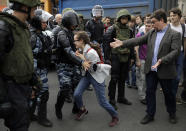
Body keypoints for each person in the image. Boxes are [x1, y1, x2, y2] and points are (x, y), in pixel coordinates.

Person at [110, 9, 181, 124]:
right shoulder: (152, 33)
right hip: (151, 69)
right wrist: (122, 43)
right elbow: (138, 40)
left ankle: (172, 113)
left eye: (154, 22)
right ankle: (150, 114)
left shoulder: (175, 34)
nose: (152, 25)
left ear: (162, 20)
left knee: (169, 94)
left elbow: (176, 51)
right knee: (150, 92)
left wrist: (162, 60)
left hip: (165, 69)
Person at [0, 0, 40, 130]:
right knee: (19, 125)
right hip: (11, 88)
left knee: (23, 122)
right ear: (24, 8)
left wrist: (33, 81)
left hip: (22, 86)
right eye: (34, 9)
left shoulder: (22, 28)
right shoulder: (4, 27)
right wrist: (3, 98)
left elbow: (24, 58)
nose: (35, 13)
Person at [73, 31, 119, 127]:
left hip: (96, 77)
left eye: (75, 41)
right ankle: (82, 109)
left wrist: (82, 59)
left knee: (102, 102)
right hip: (87, 76)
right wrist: (81, 59)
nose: (74, 43)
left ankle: (115, 116)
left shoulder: (91, 53)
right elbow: (84, 66)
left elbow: (93, 69)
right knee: (77, 94)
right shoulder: (81, 50)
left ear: (81, 41)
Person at [55, 11, 90, 120]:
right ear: (66, 22)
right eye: (72, 23)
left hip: (75, 64)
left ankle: (76, 108)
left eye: (75, 23)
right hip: (63, 65)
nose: (74, 25)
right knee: (65, 88)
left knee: (77, 88)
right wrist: (81, 62)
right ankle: (58, 107)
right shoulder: (61, 34)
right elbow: (68, 51)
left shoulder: (74, 33)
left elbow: (80, 47)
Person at [104, 9, 134, 110]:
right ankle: (111, 100)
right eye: (123, 17)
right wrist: (107, 58)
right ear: (119, 18)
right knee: (114, 78)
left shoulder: (130, 30)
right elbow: (106, 43)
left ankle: (121, 97)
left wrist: (132, 58)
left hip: (126, 56)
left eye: (126, 18)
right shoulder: (112, 29)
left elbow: (131, 44)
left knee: (123, 78)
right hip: (115, 56)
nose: (125, 19)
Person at [29, 9, 53, 127]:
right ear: (37, 22)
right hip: (36, 71)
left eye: (46, 22)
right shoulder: (33, 36)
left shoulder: (41, 34)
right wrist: (33, 78)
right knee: (43, 93)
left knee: (35, 93)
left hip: (42, 69)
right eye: (43, 22)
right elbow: (30, 58)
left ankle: (30, 114)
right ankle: (41, 118)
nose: (45, 24)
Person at [169, 8, 186, 103]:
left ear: (179, 16)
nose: (172, 17)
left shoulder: (183, 27)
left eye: (174, 15)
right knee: (170, 75)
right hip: (170, 54)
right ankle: (171, 94)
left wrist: (184, 53)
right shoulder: (168, 27)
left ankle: (173, 94)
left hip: (180, 54)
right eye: (171, 15)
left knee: (178, 77)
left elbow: (184, 40)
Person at [135, 20, 153, 105]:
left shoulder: (153, 35)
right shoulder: (140, 35)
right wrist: (137, 60)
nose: (147, 27)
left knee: (143, 78)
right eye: (146, 26)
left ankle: (141, 92)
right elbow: (136, 48)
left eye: (149, 26)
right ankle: (142, 97)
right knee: (143, 78)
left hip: (150, 60)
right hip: (142, 59)